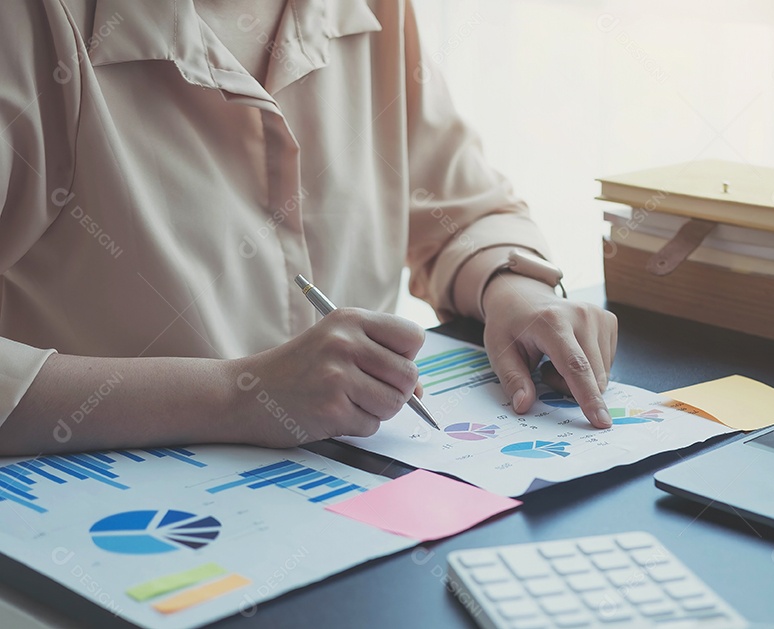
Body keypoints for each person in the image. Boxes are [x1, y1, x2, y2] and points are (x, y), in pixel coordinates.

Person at [0, 0, 617, 456]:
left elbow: (460, 211)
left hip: (356, 513)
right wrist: (234, 395)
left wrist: (513, 288)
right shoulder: (27, 26)